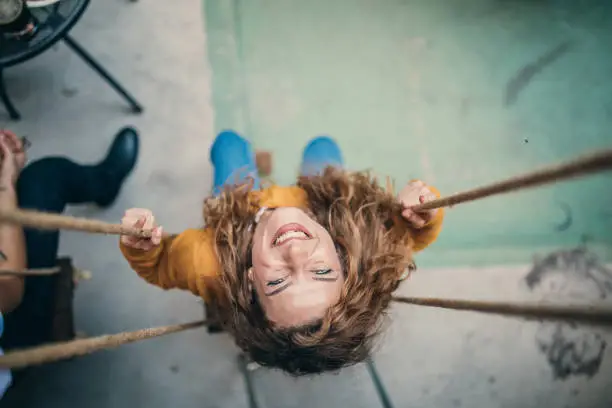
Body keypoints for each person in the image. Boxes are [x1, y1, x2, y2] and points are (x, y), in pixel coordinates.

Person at [119, 130, 444, 375]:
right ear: (344, 259)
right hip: (321, 199)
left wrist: (144, 247)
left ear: (250, 281)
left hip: (239, 209)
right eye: (321, 271)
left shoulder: (206, 259)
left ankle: (240, 158)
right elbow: (408, 238)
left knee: (229, 145)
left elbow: (159, 264)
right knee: (323, 148)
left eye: (277, 282)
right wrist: (423, 212)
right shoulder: (362, 232)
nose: (296, 254)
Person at [0, 127, 139, 392]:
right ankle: (106, 180)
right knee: (45, 178)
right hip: (11, 341)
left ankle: (104, 182)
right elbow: (8, 289)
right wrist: (5, 183)